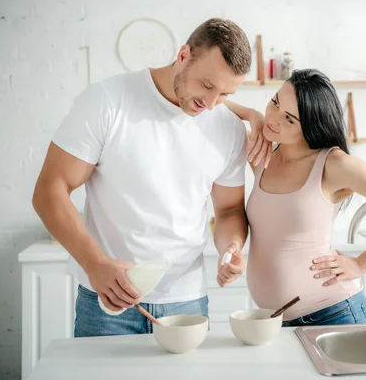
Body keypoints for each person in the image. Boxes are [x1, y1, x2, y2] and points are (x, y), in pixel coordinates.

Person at [32, 18, 257, 337]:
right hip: (109, 302)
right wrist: (95, 264)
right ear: (184, 55)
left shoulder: (229, 128)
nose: (209, 104)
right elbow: (49, 191)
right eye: (207, 85)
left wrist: (231, 247)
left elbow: (230, 212)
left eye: (224, 94)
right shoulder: (107, 101)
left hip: (187, 304)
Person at [225, 68, 366, 326]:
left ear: (310, 126)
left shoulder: (333, 164)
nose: (273, 118)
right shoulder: (264, 152)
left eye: (289, 119)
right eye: (275, 102)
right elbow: (210, 103)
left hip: (334, 313)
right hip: (276, 322)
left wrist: (361, 264)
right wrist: (251, 114)